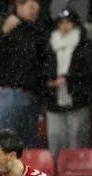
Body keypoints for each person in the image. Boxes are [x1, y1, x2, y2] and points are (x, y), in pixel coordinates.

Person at [0, 0, 47, 148]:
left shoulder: (37, 30)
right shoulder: (5, 23)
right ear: (19, 5)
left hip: (31, 95)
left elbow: (41, 64)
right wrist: (3, 33)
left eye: (37, 9)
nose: (34, 11)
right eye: (31, 7)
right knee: (9, 144)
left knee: (29, 145)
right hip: (9, 93)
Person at [44, 8, 92, 158]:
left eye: (68, 22)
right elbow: (43, 68)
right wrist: (50, 81)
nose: (65, 26)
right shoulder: (50, 44)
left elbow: (87, 72)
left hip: (77, 99)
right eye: (62, 23)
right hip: (54, 100)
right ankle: (58, 169)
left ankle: (76, 170)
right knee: (56, 139)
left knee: (77, 139)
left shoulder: (85, 45)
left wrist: (69, 78)